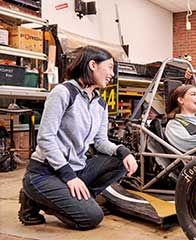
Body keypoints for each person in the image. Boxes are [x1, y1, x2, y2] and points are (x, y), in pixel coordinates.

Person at [19, 46, 138, 230]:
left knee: (121, 162)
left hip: (77, 169)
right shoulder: (63, 92)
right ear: (92, 65)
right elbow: (45, 138)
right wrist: (68, 176)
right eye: (109, 67)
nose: (112, 74)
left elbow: (100, 142)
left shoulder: (100, 103)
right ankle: (34, 198)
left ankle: (75, 199)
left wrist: (123, 152)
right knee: (91, 217)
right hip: (46, 171)